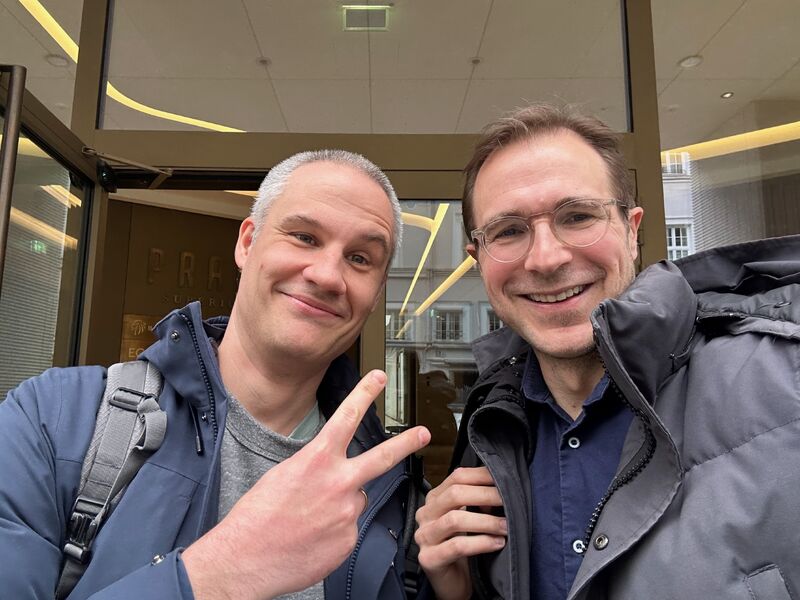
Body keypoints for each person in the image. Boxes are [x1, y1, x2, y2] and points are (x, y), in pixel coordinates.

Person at [0, 149, 431, 599]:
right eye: (304, 237)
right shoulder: (54, 419)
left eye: (360, 259)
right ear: (247, 243)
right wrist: (223, 571)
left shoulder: (392, 492)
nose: (327, 275)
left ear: (376, 293)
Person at [414, 104, 800, 600]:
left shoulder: (785, 378)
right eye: (508, 231)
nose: (546, 258)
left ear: (632, 230)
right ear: (478, 260)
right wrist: (459, 593)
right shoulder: (490, 431)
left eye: (577, 217)